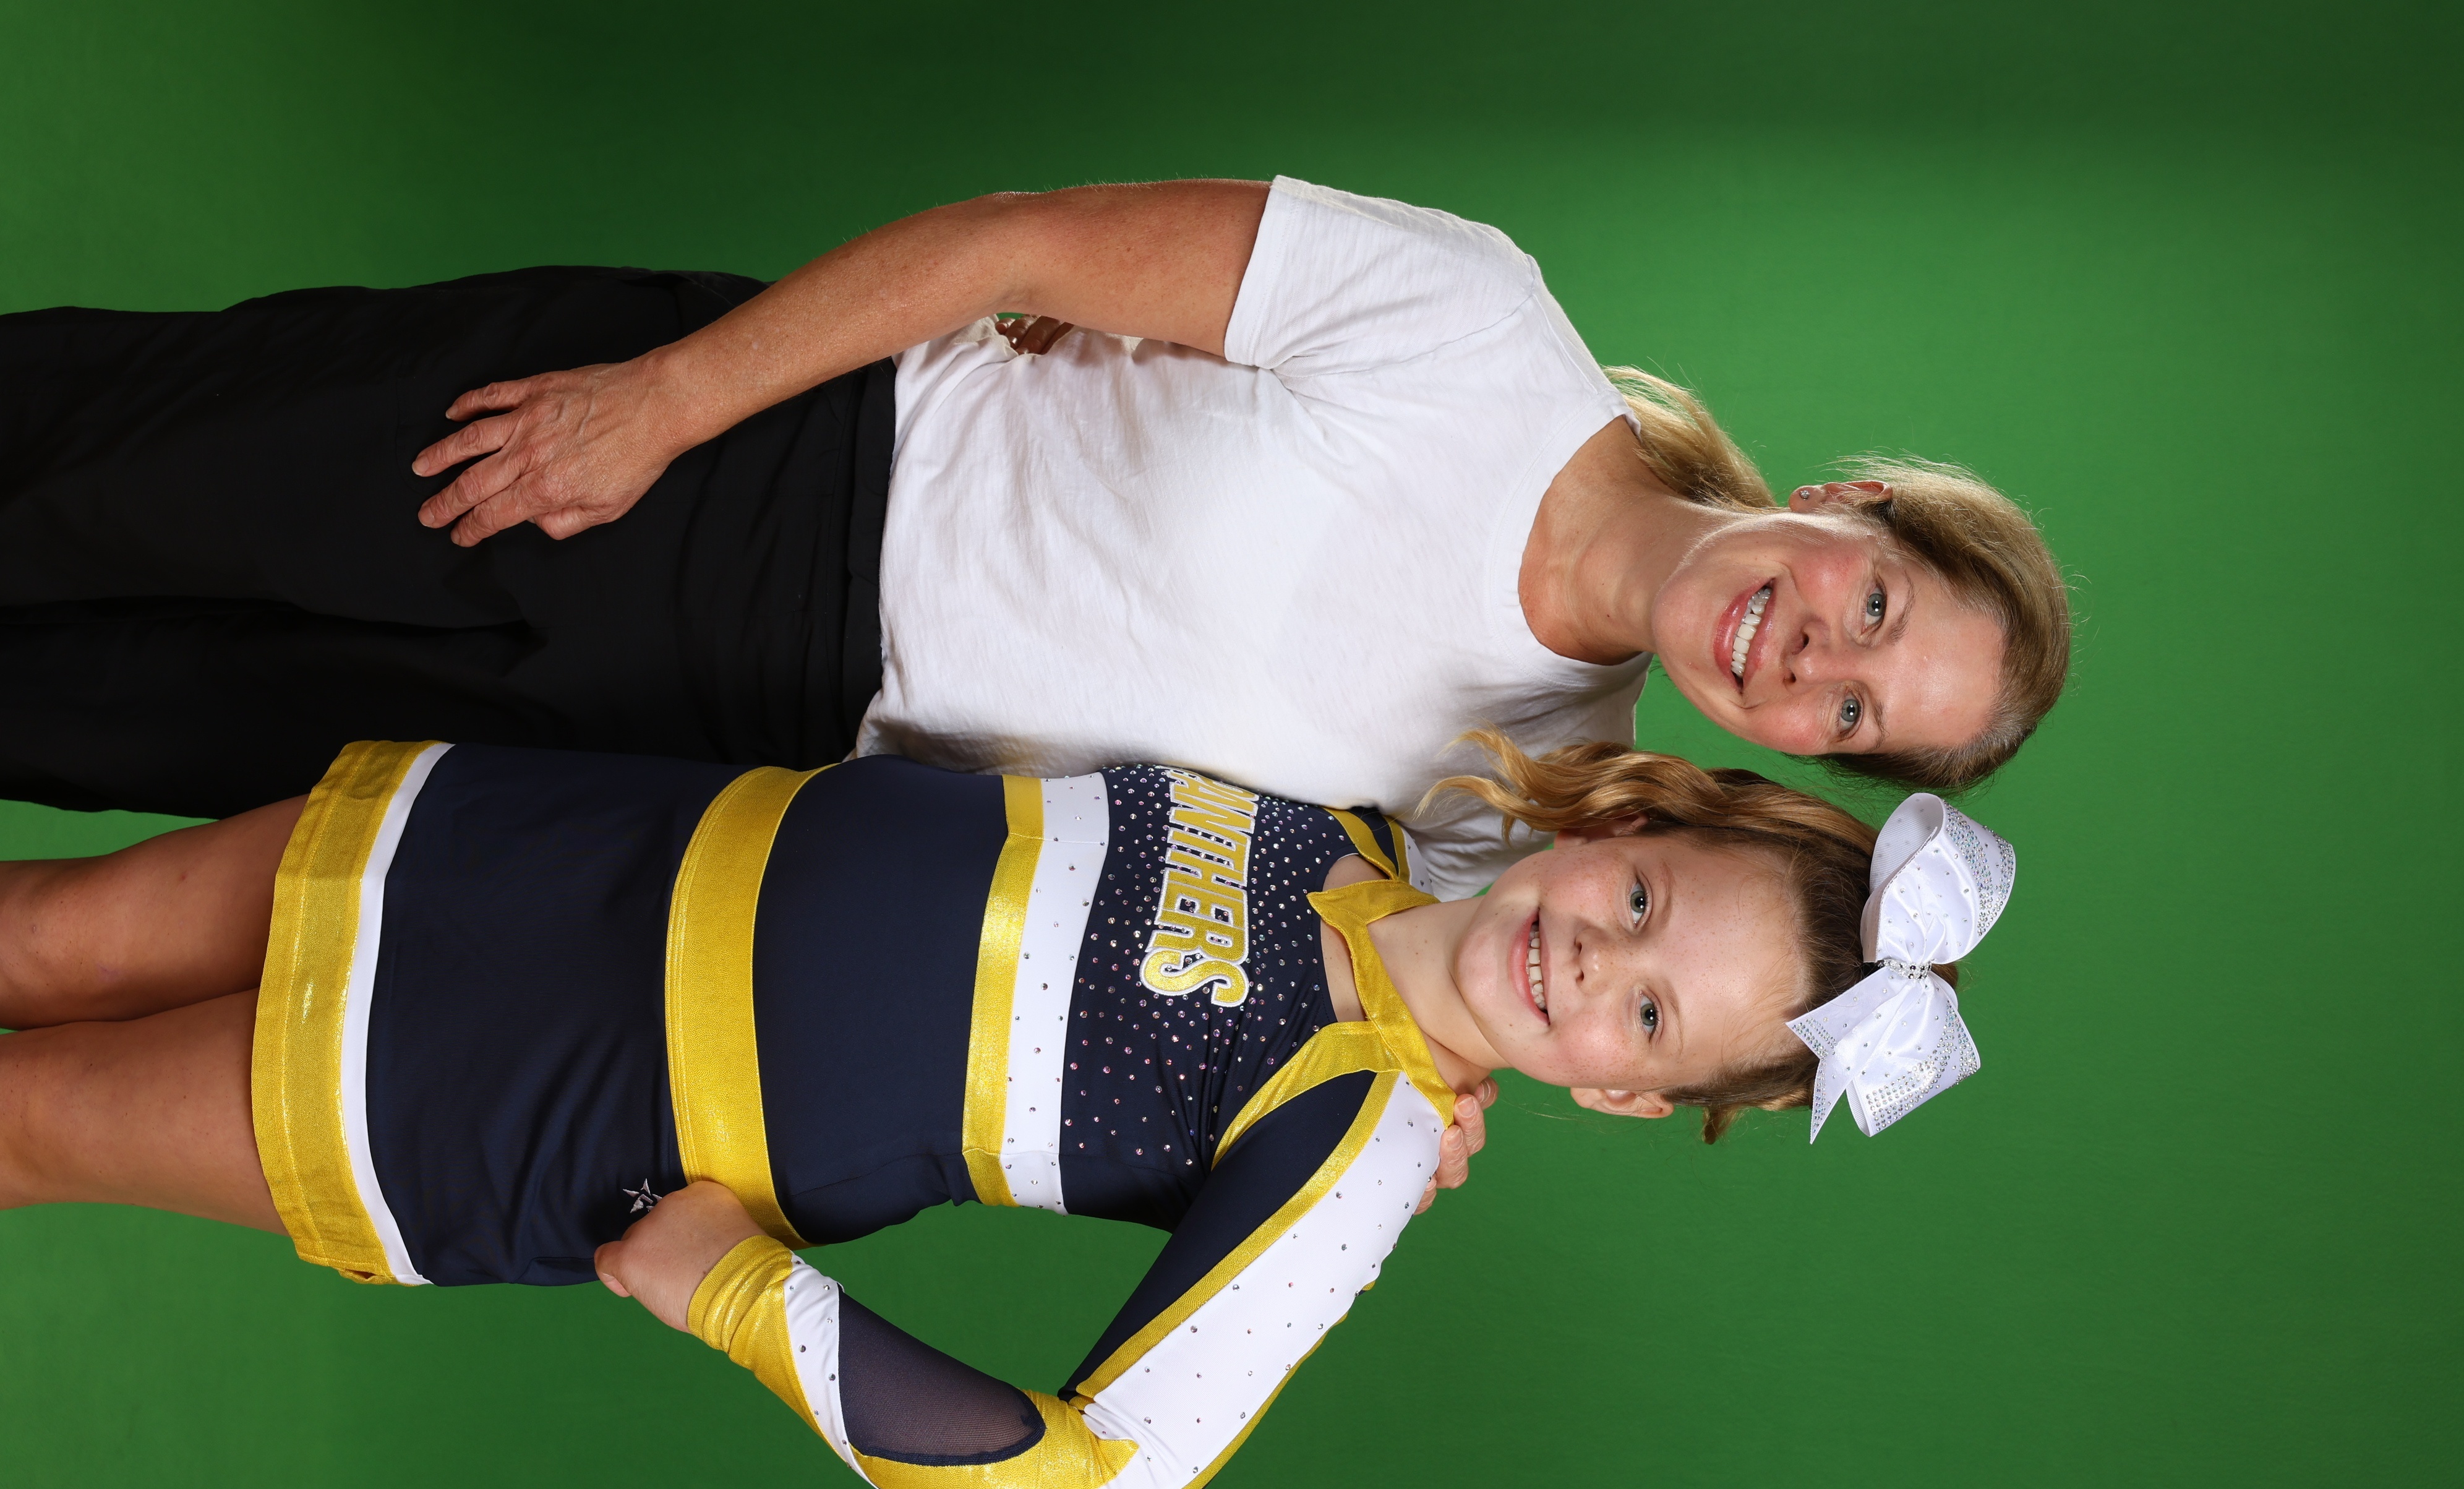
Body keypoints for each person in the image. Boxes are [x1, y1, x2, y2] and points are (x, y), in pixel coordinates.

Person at [0, 730, 2012, 1489]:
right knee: (45, 931)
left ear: (1631, 1099)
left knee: (29, 1118)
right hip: (571, 848)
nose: (1594, 962)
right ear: (1627, 828)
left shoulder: (1366, 1149)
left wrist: (742, 1297)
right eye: (1645, 902)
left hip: (572, 1096)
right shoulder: (1350, 809)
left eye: (1648, 1020)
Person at [0, 178, 2069, 897]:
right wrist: (667, 402)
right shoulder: (1479, 326)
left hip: (756, 744)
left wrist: (1432, 1119)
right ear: (1845, 504)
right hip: (765, 452)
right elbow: (1019, 250)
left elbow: (1398, 999)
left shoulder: (1506, 807)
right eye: (1875, 604)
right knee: (104, 468)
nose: (1815, 661)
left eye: (1857, 717)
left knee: (134, 721)